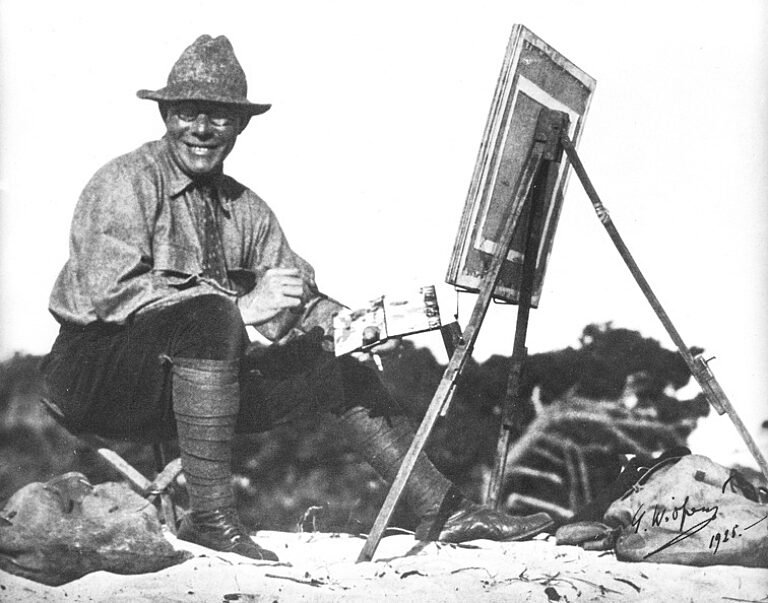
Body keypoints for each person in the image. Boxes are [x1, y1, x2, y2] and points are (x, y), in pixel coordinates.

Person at [41, 34, 552, 561]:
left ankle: (445, 512)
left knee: (337, 367)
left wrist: (352, 326)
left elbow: (297, 301)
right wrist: (239, 309)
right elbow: (110, 295)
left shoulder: (245, 210)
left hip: (196, 391)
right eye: (188, 113)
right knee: (211, 315)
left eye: (220, 116)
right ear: (166, 115)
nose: (202, 129)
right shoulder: (124, 182)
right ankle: (211, 521)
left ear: (241, 126)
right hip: (98, 382)